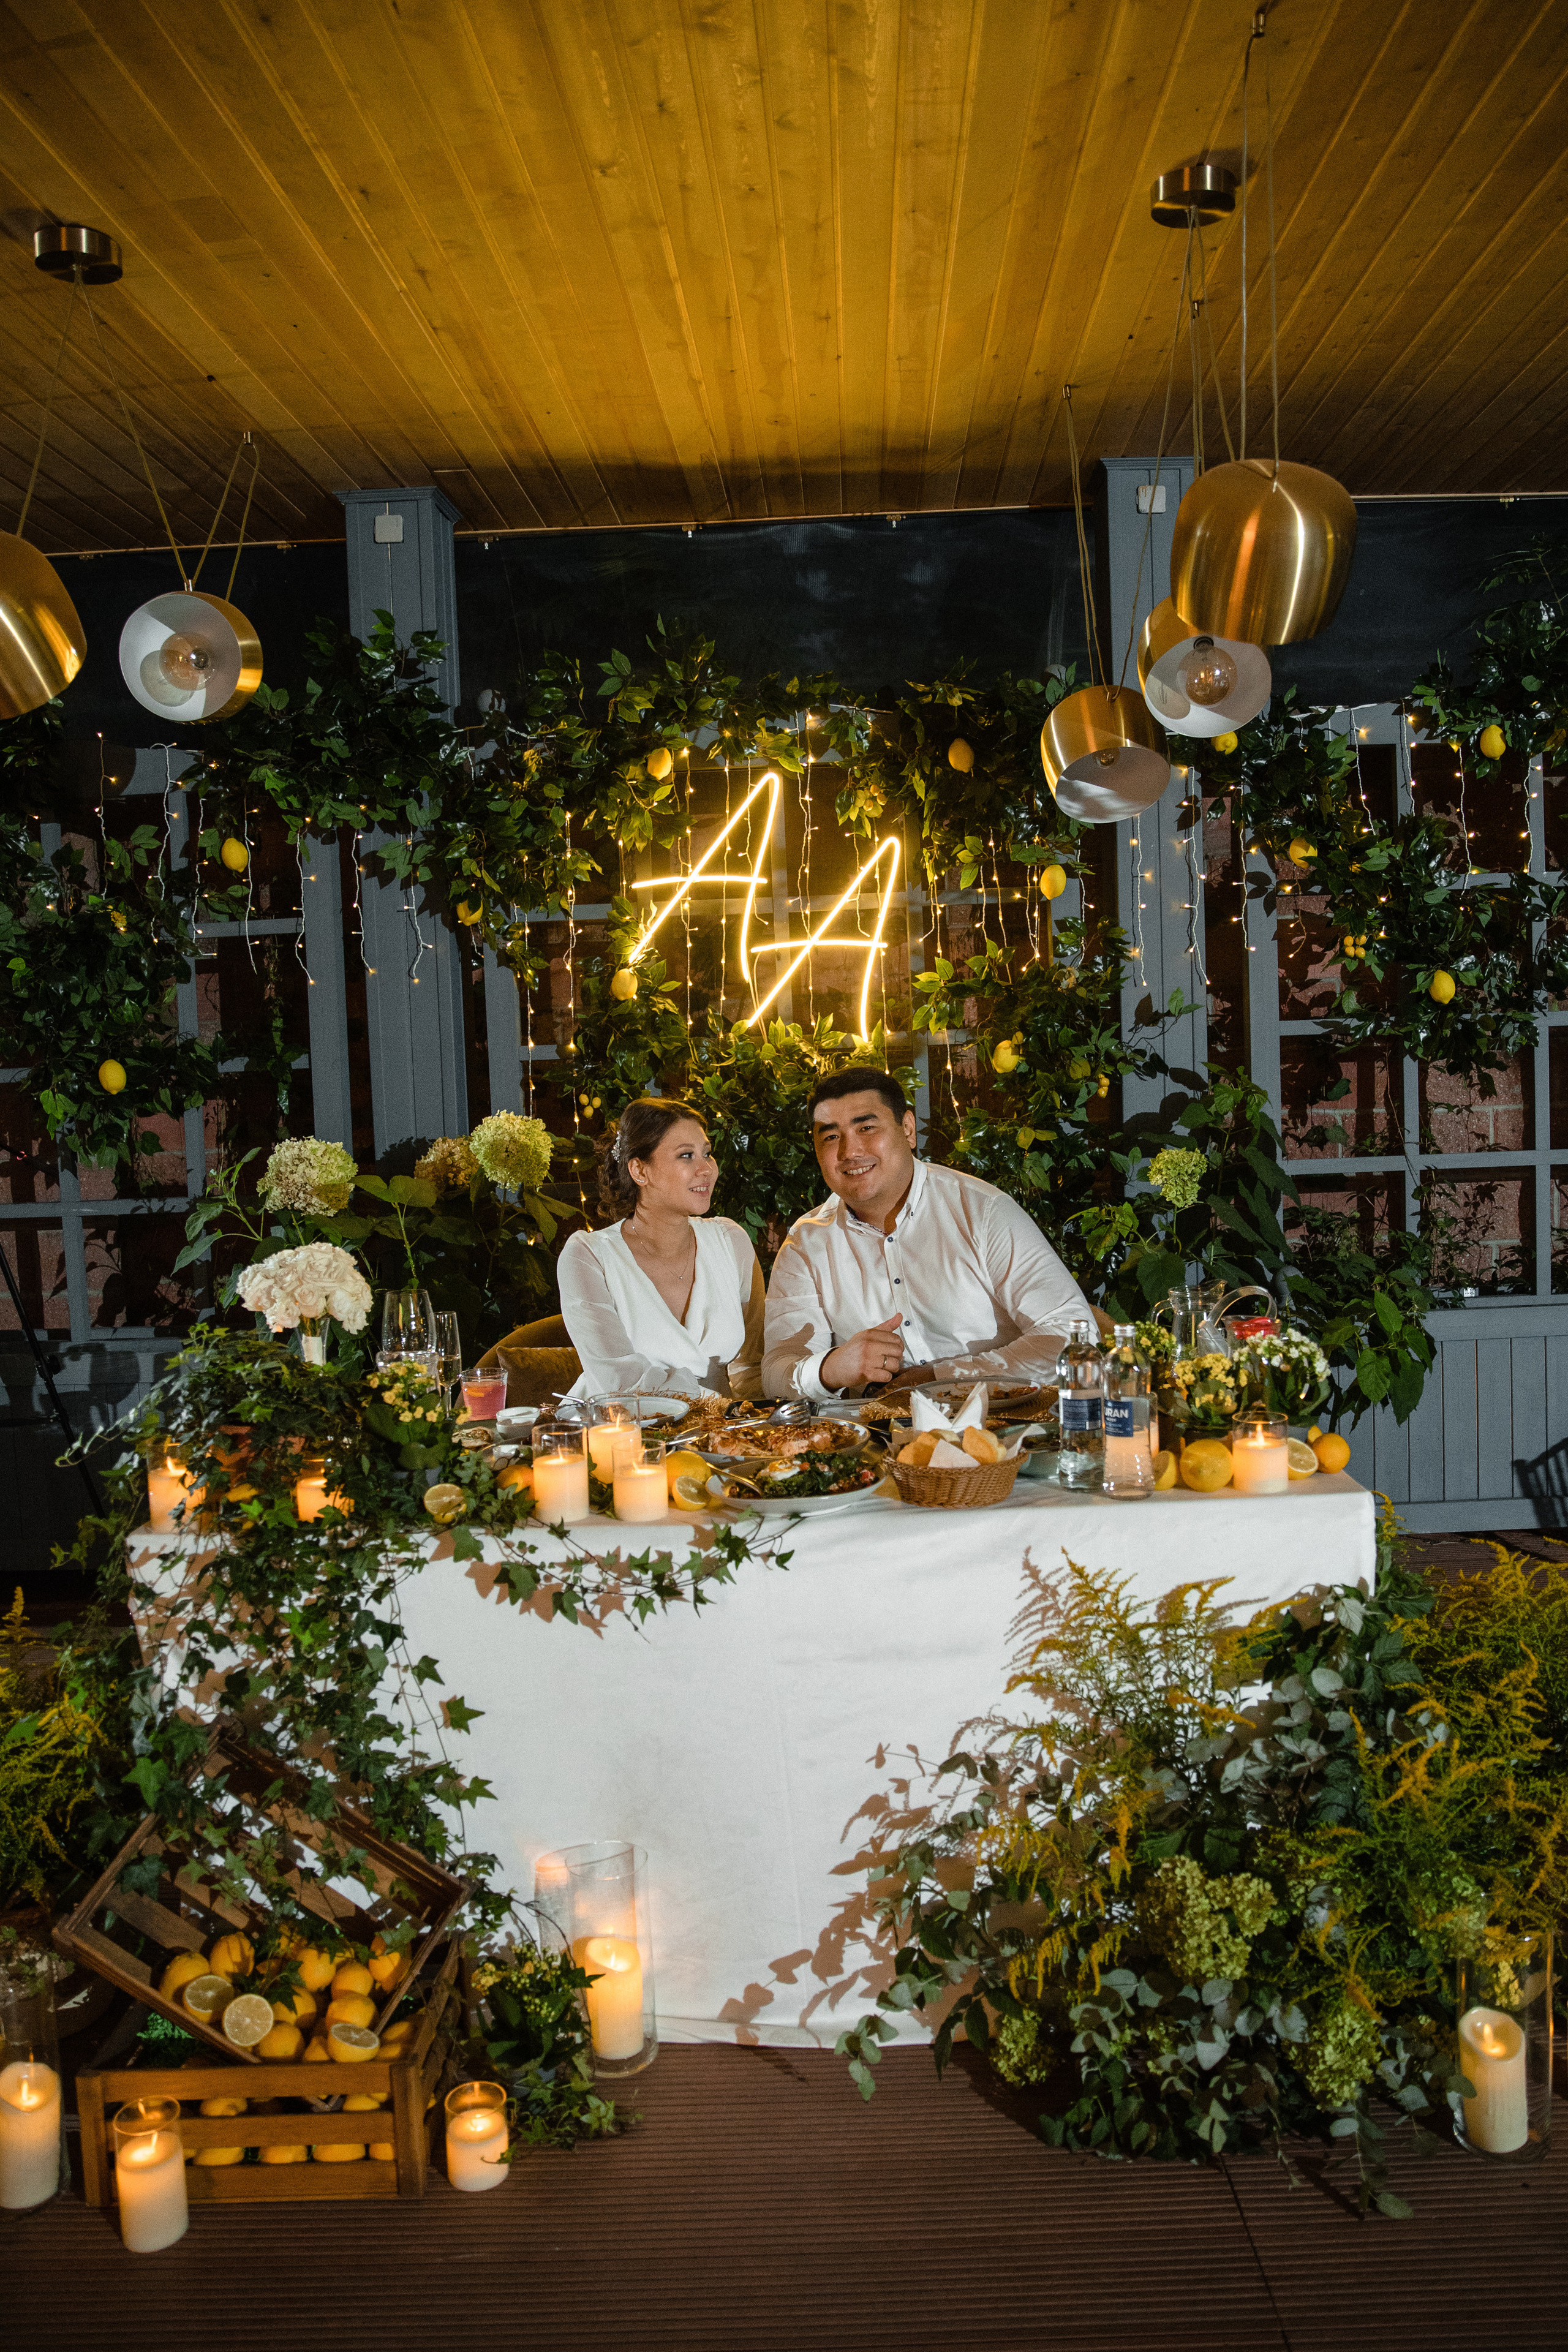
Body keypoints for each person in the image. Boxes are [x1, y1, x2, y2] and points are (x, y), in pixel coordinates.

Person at [761, 1066, 1095, 1401]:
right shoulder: (806, 1243)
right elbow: (776, 1371)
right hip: (877, 1439)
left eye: (866, 1127)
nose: (850, 1152)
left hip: (1007, 1430)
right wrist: (830, 1369)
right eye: (831, 1136)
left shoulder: (982, 1211)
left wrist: (940, 1377)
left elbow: (1072, 1336)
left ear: (907, 1129)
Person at [557, 1097, 766, 1401]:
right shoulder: (588, 1256)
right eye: (686, 1156)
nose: (706, 1169)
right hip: (621, 1434)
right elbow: (618, 1382)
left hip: (720, 1433)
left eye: (707, 1154)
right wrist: (717, 1406)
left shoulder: (731, 1241)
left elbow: (753, 1366)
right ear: (640, 1171)